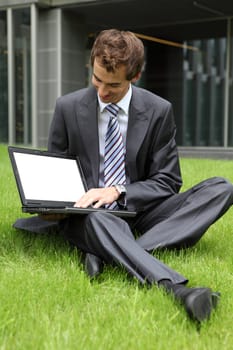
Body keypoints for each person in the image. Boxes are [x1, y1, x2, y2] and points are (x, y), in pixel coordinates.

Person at [14, 29, 233, 324]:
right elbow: (58, 168)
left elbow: (167, 181)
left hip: (140, 209)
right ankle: (180, 292)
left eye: (113, 86)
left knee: (221, 188)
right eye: (96, 80)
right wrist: (52, 205)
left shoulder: (158, 111)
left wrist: (117, 191)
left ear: (135, 75)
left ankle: (103, 251)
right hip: (91, 213)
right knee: (98, 219)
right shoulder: (67, 107)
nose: (102, 92)